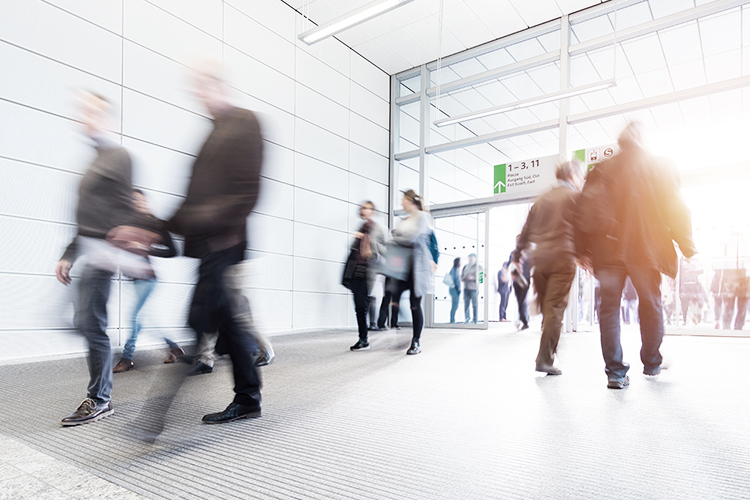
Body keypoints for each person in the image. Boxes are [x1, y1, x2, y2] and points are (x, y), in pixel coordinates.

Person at [166, 62, 264, 423]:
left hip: (226, 243)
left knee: (198, 318)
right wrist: (155, 226)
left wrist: (203, 217)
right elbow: (191, 200)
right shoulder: (212, 134)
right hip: (206, 245)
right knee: (229, 325)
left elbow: (249, 192)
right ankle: (249, 398)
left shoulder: (245, 122)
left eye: (204, 85)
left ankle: (154, 417)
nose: (199, 93)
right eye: (196, 88)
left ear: (219, 85)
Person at [577, 121, 697, 389]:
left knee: (608, 310)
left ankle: (615, 373)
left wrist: (583, 251)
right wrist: (687, 246)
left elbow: (584, 211)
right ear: (643, 138)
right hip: (645, 248)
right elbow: (676, 208)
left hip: (608, 253)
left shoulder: (601, 170)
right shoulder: (661, 166)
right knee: (650, 304)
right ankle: (652, 362)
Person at [55, 92, 135, 426]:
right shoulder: (94, 161)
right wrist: (69, 254)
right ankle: (103, 366)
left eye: (94, 111)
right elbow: (85, 217)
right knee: (76, 322)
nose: (86, 116)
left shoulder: (118, 157)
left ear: (106, 118)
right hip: (87, 253)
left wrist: (121, 251)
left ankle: (100, 399)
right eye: (84, 109)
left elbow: (125, 208)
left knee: (92, 325)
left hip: (103, 255)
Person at [513, 159, 584, 375]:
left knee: (548, 309)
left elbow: (525, 231)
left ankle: (549, 350)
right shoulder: (575, 198)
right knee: (554, 309)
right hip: (563, 258)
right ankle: (545, 359)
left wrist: (518, 255)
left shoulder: (542, 199)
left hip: (540, 260)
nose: (582, 180)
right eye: (581, 176)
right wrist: (586, 255)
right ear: (572, 175)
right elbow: (584, 229)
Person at [112, 189, 183, 373]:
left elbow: (173, 251)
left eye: (140, 201)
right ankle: (174, 347)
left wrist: (146, 249)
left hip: (148, 278)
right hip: (133, 278)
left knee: (134, 316)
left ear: (146, 202)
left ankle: (127, 358)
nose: (137, 204)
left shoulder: (155, 224)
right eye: (133, 201)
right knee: (145, 318)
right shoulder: (126, 223)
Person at [389, 189, 434, 355]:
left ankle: (416, 340)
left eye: (403, 200)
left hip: (417, 268)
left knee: (415, 305)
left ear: (409, 201)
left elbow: (412, 238)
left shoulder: (422, 217)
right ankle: (401, 332)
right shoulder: (403, 220)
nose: (401, 203)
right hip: (403, 267)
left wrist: (395, 237)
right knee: (394, 298)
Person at [348, 201, 385, 351]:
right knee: (359, 306)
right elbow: (354, 250)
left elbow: (384, 249)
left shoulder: (376, 228)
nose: (366, 210)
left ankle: (364, 339)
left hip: (366, 271)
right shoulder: (361, 227)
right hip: (354, 270)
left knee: (361, 305)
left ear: (373, 211)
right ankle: (362, 338)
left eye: (369, 208)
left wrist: (369, 242)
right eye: (364, 208)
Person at [509, 242, 531, 330]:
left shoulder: (528, 254)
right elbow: (509, 264)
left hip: (525, 280)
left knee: (522, 301)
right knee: (519, 301)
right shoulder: (514, 253)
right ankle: (524, 320)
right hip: (516, 281)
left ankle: (524, 321)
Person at [461, 253, 480, 324]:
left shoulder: (479, 267)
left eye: (472, 257)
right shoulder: (465, 266)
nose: (470, 258)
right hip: (466, 288)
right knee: (466, 305)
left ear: (475, 258)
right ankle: (467, 319)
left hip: (474, 289)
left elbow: (481, 279)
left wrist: (472, 278)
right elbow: (462, 275)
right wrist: (463, 278)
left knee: (474, 305)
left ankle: (475, 320)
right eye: (469, 257)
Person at [449, 258, 461, 323]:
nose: (461, 263)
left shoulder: (455, 270)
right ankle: (452, 320)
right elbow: (455, 280)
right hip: (454, 290)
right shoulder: (454, 270)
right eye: (460, 261)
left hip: (454, 290)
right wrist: (458, 288)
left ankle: (452, 319)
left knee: (455, 305)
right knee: (455, 305)